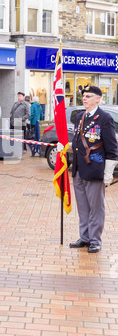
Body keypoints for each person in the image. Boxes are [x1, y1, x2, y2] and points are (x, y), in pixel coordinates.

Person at [69, 85, 118, 253]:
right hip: (78, 170)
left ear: (98, 99)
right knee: (83, 206)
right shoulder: (79, 117)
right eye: (83, 96)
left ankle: (95, 240)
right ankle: (84, 237)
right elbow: (77, 144)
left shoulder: (104, 118)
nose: (85, 98)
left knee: (96, 208)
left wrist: (108, 174)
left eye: (89, 96)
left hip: (95, 169)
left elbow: (112, 149)